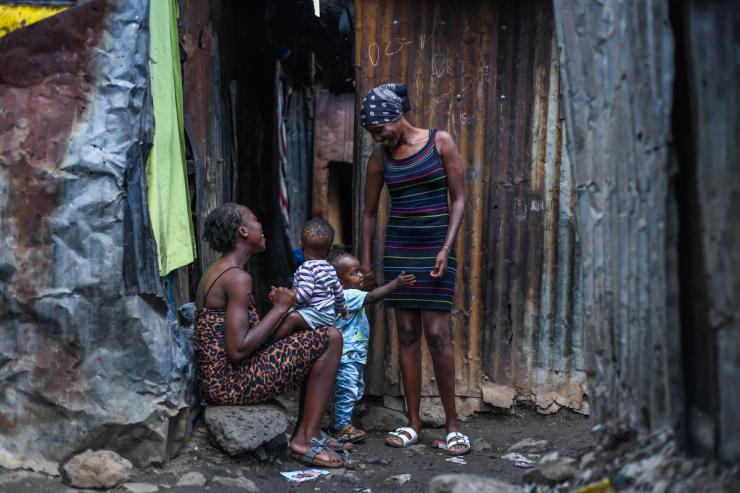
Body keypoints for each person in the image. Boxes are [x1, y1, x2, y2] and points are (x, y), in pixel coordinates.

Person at [359, 83, 470, 455]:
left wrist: (446, 247)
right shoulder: (380, 158)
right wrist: (367, 264)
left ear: (395, 117)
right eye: (374, 135)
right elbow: (370, 212)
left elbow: (459, 199)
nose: (378, 138)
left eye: (379, 130)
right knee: (406, 334)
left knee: (437, 334)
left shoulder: (441, 142)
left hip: (436, 250)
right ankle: (414, 422)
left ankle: (453, 426)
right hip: (400, 251)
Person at [194, 203, 350, 468]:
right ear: (243, 231)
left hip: (220, 381)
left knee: (312, 334)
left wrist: (283, 315)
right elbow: (238, 350)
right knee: (331, 337)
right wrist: (280, 308)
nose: (262, 226)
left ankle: (307, 431)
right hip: (230, 384)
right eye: (256, 220)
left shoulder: (220, 270)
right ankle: (304, 441)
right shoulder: (236, 278)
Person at [328, 247, 416, 443]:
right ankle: (342, 427)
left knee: (350, 390)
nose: (360, 275)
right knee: (348, 391)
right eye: (354, 273)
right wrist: (395, 284)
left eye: (360, 270)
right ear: (340, 282)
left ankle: (336, 423)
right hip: (346, 357)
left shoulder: (348, 293)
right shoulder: (346, 295)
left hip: (351, 355)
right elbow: (372, 297)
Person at [272, 218, 347, 340]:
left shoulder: (306, 268)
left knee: (291, 317)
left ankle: (270, 343)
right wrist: (342, 309)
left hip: (314, 314)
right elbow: (338, 292)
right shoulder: (330, 268)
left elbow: (305, 293)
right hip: (328, 316)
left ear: (301, 244)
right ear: (330, 248)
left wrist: (287, 298)